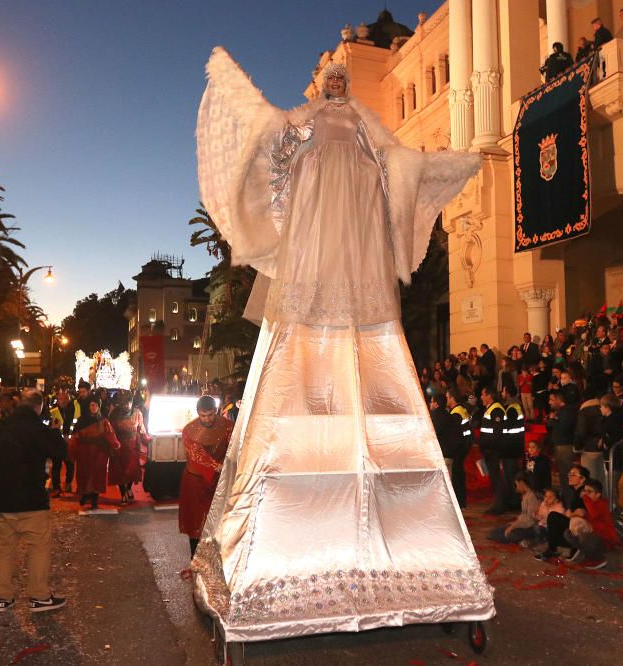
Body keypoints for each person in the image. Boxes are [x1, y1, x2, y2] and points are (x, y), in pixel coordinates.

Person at [194, 52, 493, 633]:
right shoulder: (304, 121)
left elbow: (394, 159)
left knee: (357, 281)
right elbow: (278, 146)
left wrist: (431, 163)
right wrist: (251, 108)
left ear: (347, 86)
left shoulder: (364, 123)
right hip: (316, 216)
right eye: (329, 80)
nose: (334, 86)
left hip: (354, 215)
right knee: (313, 285)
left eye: (339, 80)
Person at [0, 391, 67, 613]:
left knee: (3, 548)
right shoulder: (38, 428)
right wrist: (55, 432)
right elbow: (60, 452)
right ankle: (39, 596)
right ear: (39, 406)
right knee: (38, 546)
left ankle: (3, 597)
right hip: (29, 497)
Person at [179, 395, 232, 557]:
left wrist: (227, 465)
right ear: (197, 413)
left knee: (220, 519)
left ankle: (218, 557)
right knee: (195, 521)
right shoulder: (189, 430)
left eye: (210, 415)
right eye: (203, 415)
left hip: (220, 480)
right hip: (195, 481)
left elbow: (234, 448)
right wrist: (216, 466)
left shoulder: (229, 426)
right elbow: (197, 455)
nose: (207, 419)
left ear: (216, 411)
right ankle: (195, 557)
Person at [68, 396, 120, 511]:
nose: (94, 407)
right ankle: (85, 495)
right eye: (92, 405)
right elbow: (76, 437)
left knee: (97, 475)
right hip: (84, 452)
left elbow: (110, 434)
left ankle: (94, 499)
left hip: (99, 453)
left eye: (96, 405)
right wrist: (72, 451)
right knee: (85, 474)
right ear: (88, 406)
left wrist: (115, 444)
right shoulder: (81, 421)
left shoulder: (103, 421)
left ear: (99, 407)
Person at [564, 478, 616, 568]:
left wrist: (585, 498)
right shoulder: (589, 504)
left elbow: (594, 514)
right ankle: (588, 557)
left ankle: (599, 559)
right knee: (568, 533)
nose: (586, 494)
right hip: (593, 536)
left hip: (604, 540)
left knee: (585, 537)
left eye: (589, 491)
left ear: (598, 495)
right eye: (585, 491)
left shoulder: (601, 504)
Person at [108, 392, 146, 505]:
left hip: (133, 446)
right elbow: (110, 430)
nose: (126, 405)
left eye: (128, 403)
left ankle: (129, 488)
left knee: (132, 470)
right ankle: (123, 493)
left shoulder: (137, 413)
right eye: (124, 403)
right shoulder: (114, 414)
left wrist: (146, 438)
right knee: (120, 471)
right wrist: (113, 443)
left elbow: (141, 428)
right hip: (119, 446)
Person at [479, 386, 509, 515]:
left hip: (494, 450)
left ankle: (499, 506)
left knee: (497, 478)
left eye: (482, 394)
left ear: (489, 396)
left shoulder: (496, 409)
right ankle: (498, 504)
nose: (481, 397)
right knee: (494, 477)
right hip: (490, 449)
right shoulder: (490, 409)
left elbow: (497, 432)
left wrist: (490, 447)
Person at [487, 472, 540, 544]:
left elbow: (530, 520)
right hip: (522, 525)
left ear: (522, 483)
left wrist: (513, 527)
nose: (516, 488)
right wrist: (514, 524)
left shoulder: (532, 497)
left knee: (510, 535)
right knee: (494, 533)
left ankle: (529, 539)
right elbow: (523, 515)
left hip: (529, 527)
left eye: (517, 485)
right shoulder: (526, 496)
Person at [48, 387, 80, 496]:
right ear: (58, 399)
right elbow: (49, 426)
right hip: (57, 442)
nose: (63, 401)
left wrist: (71, 437)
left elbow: (77, 423)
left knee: (70, 464)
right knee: (56, 465)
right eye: (61, 399)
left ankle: (68, 483)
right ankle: (56, 487)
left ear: (69, 399)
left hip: (70, 441)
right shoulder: (53, 410)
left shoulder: (74, 409)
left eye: (65, 399)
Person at [446, 390, 471, 507]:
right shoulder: (462, 410)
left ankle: (459, 502)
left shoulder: (456, 413)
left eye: (447, 397)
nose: (446, 400)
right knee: (459, 474)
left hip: (460, 447)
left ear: (452, 398)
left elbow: (456, 434)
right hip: (465, 444)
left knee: (457, 475)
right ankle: (462, 501)